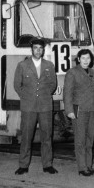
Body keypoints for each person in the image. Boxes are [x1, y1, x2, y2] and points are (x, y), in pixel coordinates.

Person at [13, 36, 59, 175]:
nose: (38, 51)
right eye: (35, 48)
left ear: (43, 50)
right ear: (31, 49)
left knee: (47, 136)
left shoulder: (49, 65)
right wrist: (27, 97)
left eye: (40, 48)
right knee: (26, 136)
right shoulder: (22, 65)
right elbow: (17, 85)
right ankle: (23, 165)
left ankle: (47, 164)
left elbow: (53, 85)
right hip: (28, 106)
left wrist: (43, 96)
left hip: (45, 106)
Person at [63, 49, 94, 176]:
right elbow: (67, 93)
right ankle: (82, 168)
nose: (86, 61)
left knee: (90, 139)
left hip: (93, 109)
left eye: (88, 58)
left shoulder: (93, 72)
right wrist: (69, 110)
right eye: (83, 58)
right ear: (78, 59)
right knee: (80, 139)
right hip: (80, 111)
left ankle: (89, 165)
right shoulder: (72, 73)